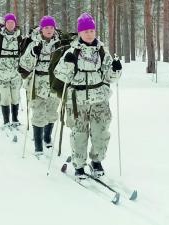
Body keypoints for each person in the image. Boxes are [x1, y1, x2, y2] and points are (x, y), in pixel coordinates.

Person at [53, 13, 122, 179]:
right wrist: (67, 63)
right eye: (86, 31)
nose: (89, 34)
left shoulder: (103, 52)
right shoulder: (72, 51)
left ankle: (97, 161)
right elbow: (59, 75)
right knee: (79, 134)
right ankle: (79, 165)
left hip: (100, 100)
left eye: (92, 30)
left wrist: (116, 69)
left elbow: (111, 78)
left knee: (101, 133)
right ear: (79, 33)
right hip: (78, 101)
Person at [19, 16, 61, 156]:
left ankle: (47, 137)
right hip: (37, 84)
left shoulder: (59, 43)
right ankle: (38, 146)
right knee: (38, 113)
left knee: (51, 112)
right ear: (41, 29)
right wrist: (32, 53)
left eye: (51, 27)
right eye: (46, 27)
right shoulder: (34, 43)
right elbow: (24, 65)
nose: (49, 30)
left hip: (53, 83)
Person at [0, 13, 23, 128]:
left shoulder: (19, 37)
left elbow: (25, 53)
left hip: (15, 72)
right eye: (8, 22)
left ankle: (15, 119)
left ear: (15, 24)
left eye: (12, 22)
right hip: (2, 72)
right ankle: (6, 121)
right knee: (5, 97)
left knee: (15, 96)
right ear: (5, 24)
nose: (10, 24)